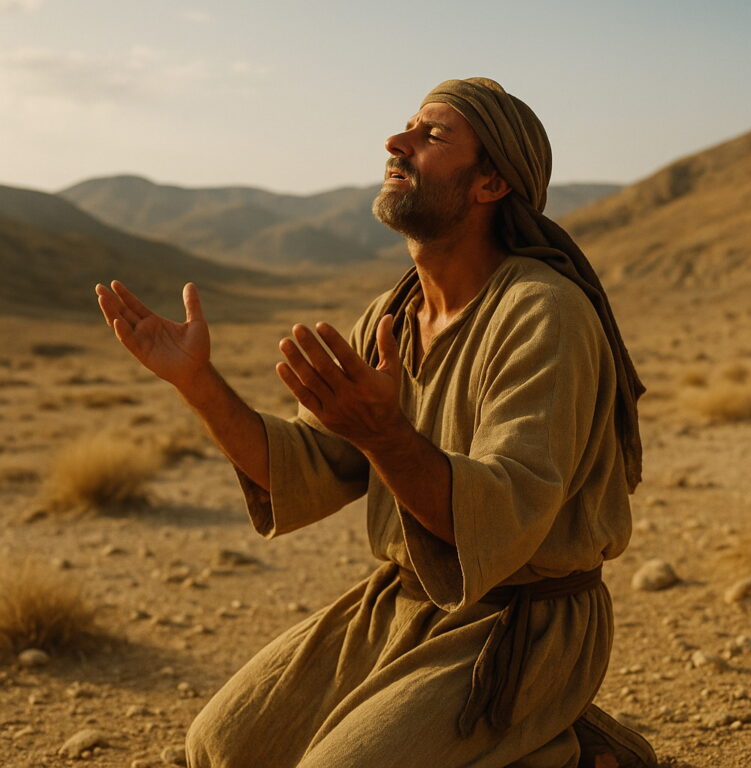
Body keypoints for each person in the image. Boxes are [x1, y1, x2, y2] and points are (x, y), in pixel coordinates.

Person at [96, 77, 657, 768]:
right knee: (218, 747)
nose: (396, 142)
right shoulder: (389, 316)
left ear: (490, 184)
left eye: (432, 136)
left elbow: (503, 521)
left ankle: (568, 750)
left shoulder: (544, 313)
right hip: (403, 604)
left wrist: (382, 431)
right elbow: (305, 469)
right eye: (405, 130)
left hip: (521, 626)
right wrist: (198, 384)